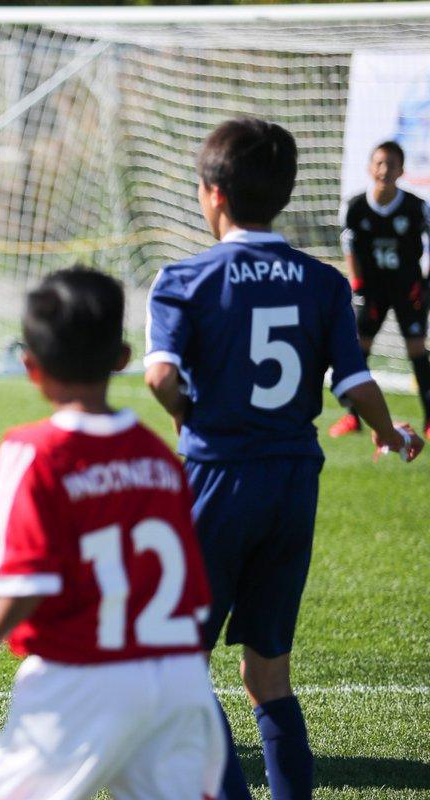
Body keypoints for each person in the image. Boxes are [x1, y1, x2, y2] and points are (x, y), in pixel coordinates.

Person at [145, 118, 423, 800]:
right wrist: (389, 434)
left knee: (181, 662)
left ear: (212, 193)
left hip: (217, 475)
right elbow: (354, 385)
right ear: (287, 193)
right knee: (268, 673)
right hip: (294, 479)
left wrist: (191, 417)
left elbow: (159, 377)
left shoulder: (185, 278)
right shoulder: (323, 282)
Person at [0, 266, 224, 800]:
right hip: (179, 676)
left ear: (30, 366)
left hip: (84, 675)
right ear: (122, 358)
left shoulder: (34, 451)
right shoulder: (159, 455)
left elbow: (28, 582)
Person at [331, 140, 430, 438]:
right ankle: (353, 417)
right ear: (369, 168)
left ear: (401, 170)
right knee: (359, 348)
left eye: (391, 164)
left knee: (416, 347)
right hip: (371, 290)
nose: (384, 169)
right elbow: (348, 243)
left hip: (406, 289)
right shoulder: (355, 206)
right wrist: (356, 281)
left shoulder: (416, 207)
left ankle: (428, 420)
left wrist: (425, 282)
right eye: (379, 163)